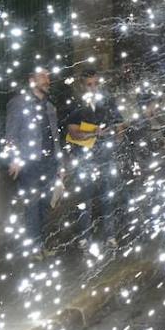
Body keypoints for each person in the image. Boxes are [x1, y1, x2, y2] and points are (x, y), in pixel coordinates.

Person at [63, 67, 124, 245]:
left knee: (107, 196)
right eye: (89, 85)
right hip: (84, 158)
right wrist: (94, 133)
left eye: (96, 84)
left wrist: (114, 134)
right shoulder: (75, 104)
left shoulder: (108, 102)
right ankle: (84, 237)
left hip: (106, 156)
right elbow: (73, 132)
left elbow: (120, 126)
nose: (94, 88)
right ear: (83, 86)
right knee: (85, 197)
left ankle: (110, 235)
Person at [3, 68, 60, 247]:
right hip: (29, 163)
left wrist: (60, 165)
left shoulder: (50, 107)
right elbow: (11, 134)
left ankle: (41, 242)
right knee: (32, 204)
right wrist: (14, 159)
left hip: (49, 162)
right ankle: (35, 247)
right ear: (31, 80)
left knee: (45, 204)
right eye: (42, 76)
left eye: (48, 76)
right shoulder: (18, 103)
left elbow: (55, 137)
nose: (47, 80)